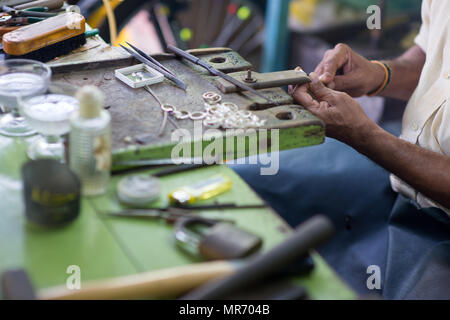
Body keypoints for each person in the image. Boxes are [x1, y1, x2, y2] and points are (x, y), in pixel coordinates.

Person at [231, 0, 450, 299]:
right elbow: (432, 59)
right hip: (398, 177)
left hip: (440, 222)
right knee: (236, 187)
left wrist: (364, 136)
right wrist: (378, 74)